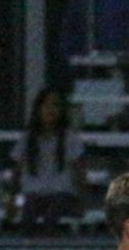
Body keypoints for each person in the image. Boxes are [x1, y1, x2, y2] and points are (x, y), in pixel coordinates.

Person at [9, 87, 88, 234]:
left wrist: (82, 199)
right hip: (34, 193)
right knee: (28, 209)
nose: (50, 109)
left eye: (55, 105)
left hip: (62, 194)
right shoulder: (27, 138)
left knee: (53, 210)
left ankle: (49, 243)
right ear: (38, 109)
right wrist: (12, 199)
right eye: (46, 105)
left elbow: (79, 170)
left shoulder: (70, 138)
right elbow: (17, 170)